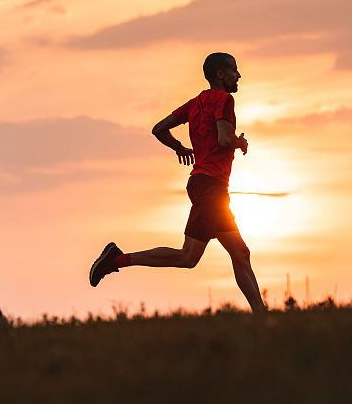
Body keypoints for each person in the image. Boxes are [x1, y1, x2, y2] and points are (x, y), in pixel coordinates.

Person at [87, 52, 267, 313]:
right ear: (220, 74)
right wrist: (239, 142)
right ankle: (115, 259)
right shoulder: (224, 99)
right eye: (234, 70)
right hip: (210, 188)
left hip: (206, 186)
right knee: (188, 257)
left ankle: (262, 315)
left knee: (241, 253)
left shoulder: (195, 103)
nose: (238, 75)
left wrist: (179, 148)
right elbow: (224, 138)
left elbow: (159, 128)